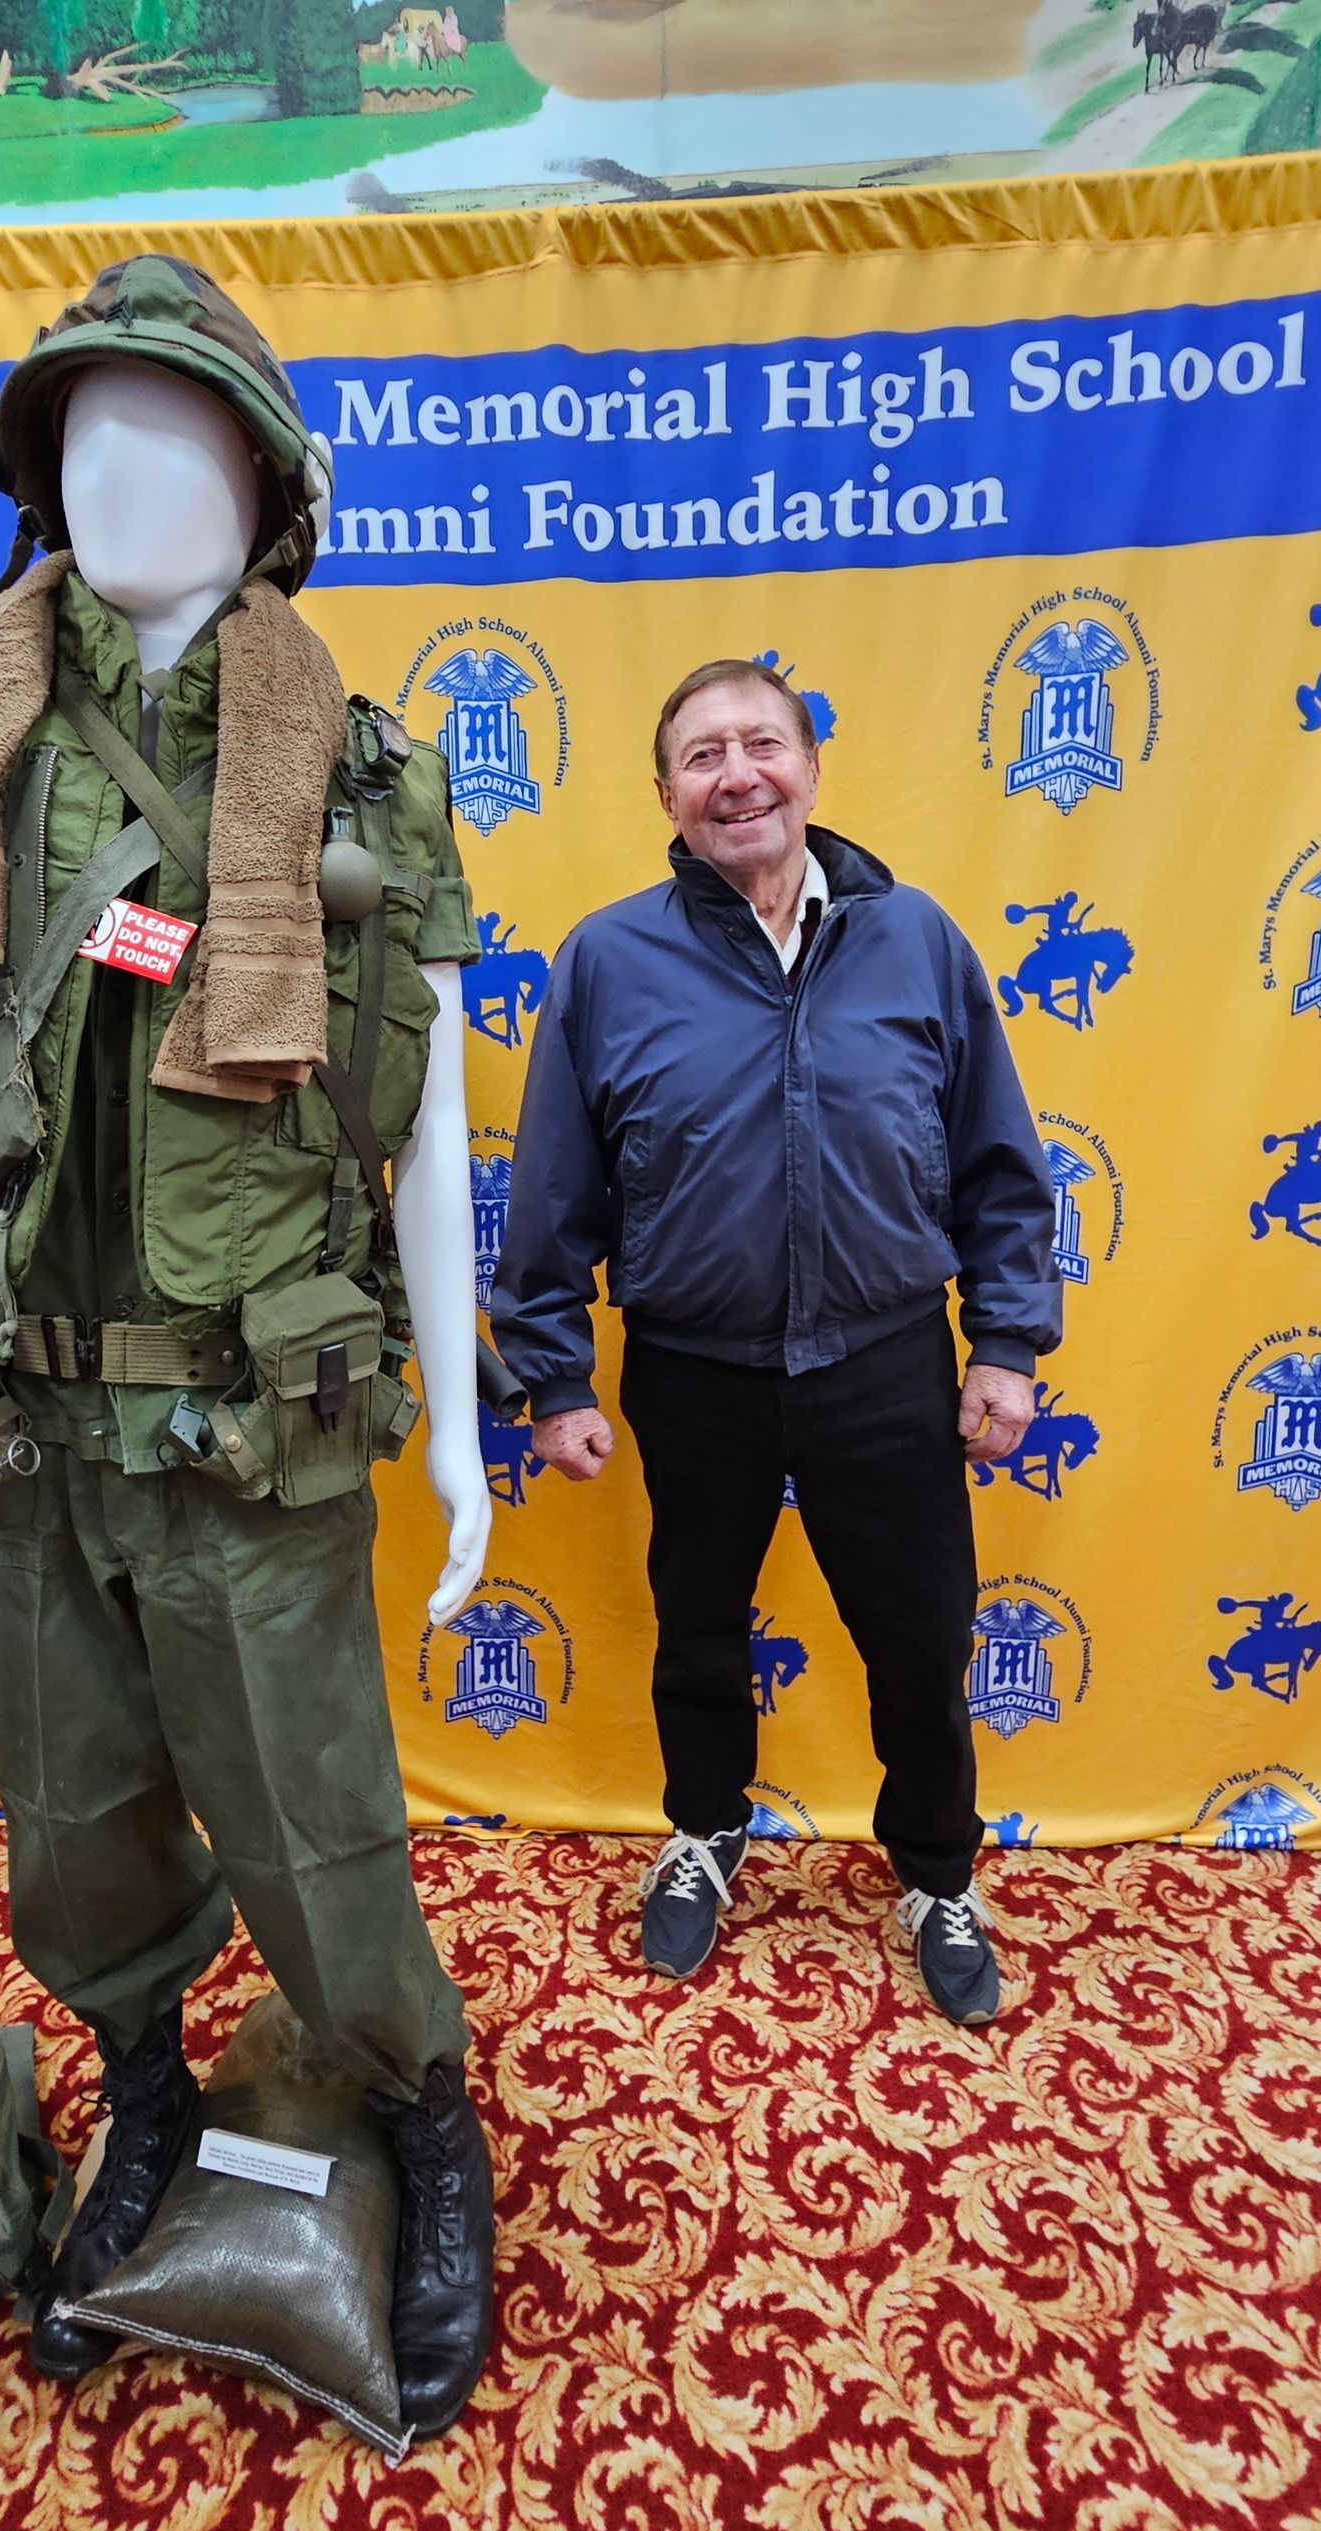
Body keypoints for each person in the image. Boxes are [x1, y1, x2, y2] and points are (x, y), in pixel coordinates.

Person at [0, 258, 493, 2431]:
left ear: (266, 491)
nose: (118, 467)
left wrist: (459, 1428)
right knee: (77, 1818)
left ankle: (426, 2117)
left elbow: (430, 1134)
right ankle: (142, 2084)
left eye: (173, 428)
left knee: (315, 1819)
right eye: (81, 429)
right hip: (8, 1414)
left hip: (243, 1423)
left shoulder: (356, 790)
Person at [489, 657, 1061, 2026]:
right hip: (693, 1373)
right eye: (701, 755)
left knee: (919, 1643)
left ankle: (934, 1871)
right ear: (668, 796)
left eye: (761, 745)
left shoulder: (917, 938)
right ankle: (704, 1833)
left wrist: (1007, 1344)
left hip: (885, 1364)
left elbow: (996, 1160)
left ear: (811, 768)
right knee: (695, 1632)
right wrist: (554, 1373)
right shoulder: (608, 960)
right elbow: (558, 1185)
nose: (735, 773)